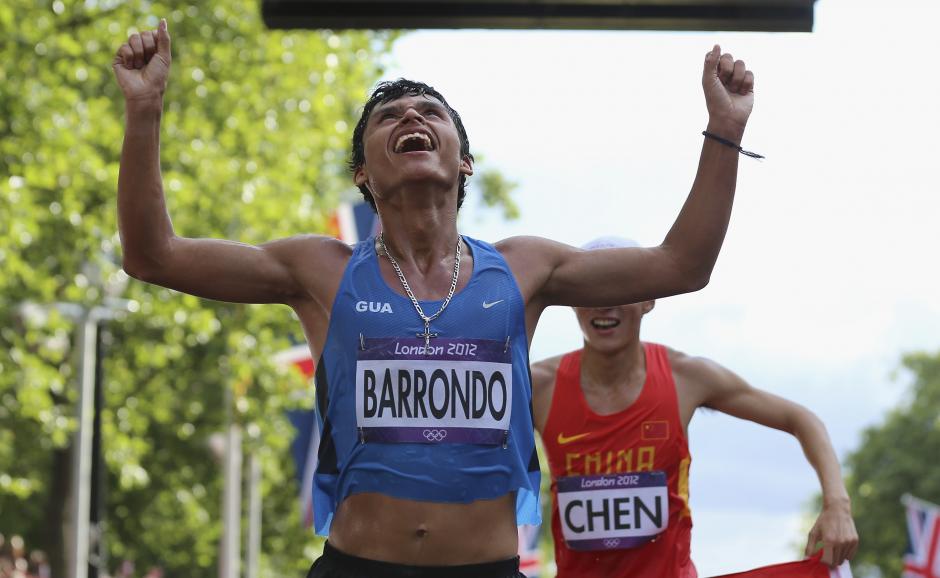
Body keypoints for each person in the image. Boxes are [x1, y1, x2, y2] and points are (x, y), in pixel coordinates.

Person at [113, 18, 757, 578]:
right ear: (363, 173)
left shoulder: (525, 266)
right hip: (356, 569)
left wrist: (724, 130)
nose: (411, 118)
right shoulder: (319, 269)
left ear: (465, 163)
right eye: (389, 117)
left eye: (430, 114)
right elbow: (153, 256)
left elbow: (681, 265)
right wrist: (144, 112)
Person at [531, 237, 860, 578]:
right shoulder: (537, 385)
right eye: (592, 291)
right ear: (571, 302)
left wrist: (838, 505)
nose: (605, 304)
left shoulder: (687, 376)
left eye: (622, 289)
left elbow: (802, 419)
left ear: (649, 299)